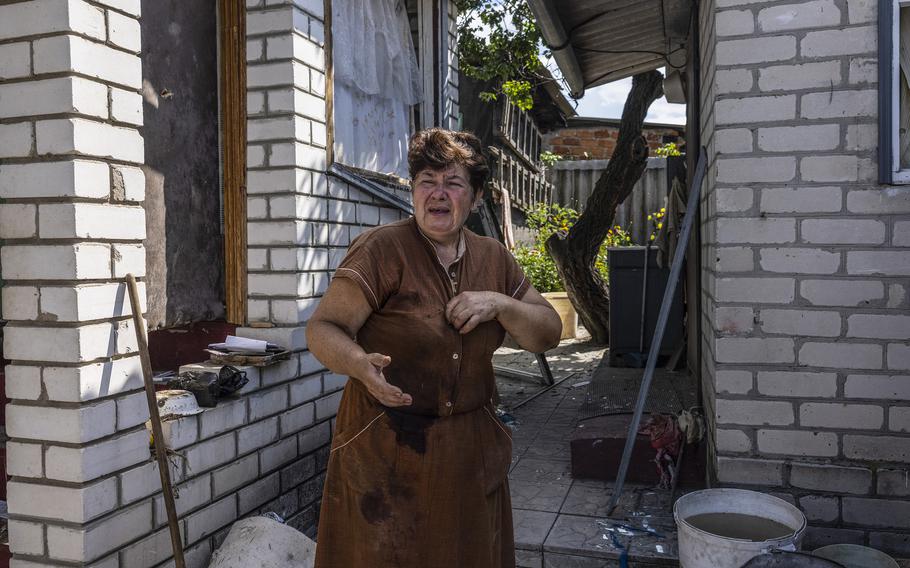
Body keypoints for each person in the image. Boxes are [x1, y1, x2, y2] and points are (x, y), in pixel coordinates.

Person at [307, 128, 562, 568]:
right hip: (387, 450)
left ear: (477, 196)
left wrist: (499, 304)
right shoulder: (382, 250)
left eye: (453, 182)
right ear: (413, 190)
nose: (438, 193)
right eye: (427, 180)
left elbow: (547, 332)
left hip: (467, 453)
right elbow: (322, 328)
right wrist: (357, 364)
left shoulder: (494, 258)